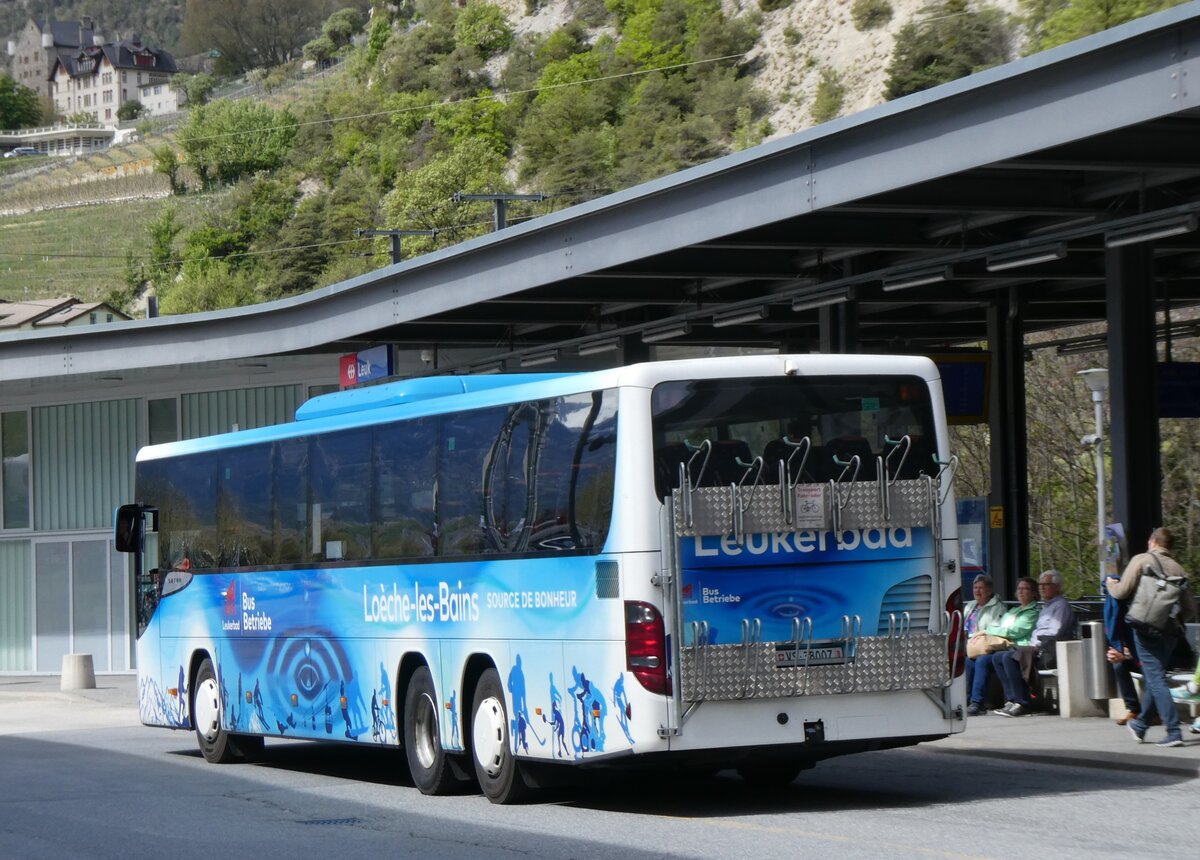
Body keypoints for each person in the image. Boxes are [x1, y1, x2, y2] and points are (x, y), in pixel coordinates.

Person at [1106, 527, 1198, 747]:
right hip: (1171, 632)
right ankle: (1141, 725)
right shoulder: (1179, 569)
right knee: (1154, 676)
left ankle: (1173, 731)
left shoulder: (1142, 560)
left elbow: (1121, 592)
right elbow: (1190, 609)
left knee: (1155, 678)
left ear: (1152, 541)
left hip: (1145, 628)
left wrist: (1111, 585)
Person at [994, 570, 1076, 717]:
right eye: (1041, 585)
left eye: (1047, 584)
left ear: (1057, 587)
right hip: (1036, 648)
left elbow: (1054, 632)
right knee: (997, 657)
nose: (1042, 588)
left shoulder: (1061, 606)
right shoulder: (1046, 607)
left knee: (1009, 658)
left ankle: (1022, 703)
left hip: (1048, 650)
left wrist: (1035, 645)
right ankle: (1012, 699)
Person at [966, 577, 1040, 717]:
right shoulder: (1013, 611)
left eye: (1025, 589)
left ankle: (1020, 702)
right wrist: (999, 631)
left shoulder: (1032, 612)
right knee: (975, 660)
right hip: (1006, 647)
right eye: (1019, 589)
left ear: (1034, 593)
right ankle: (1008, 700)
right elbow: (1003, 628)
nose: (1021, 592)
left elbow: (1014, 631)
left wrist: (988, 631)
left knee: (996, 658)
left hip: (1022, 648)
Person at [963, 574, 1006, 715]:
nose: (977, 591)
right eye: (975, 587)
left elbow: (997, 629)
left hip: (987, 647)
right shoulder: (970, 606)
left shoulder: (997, 607)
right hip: (970, 646)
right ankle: (966, 700)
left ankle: (977, 703)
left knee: (981, 662)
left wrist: (981, 634)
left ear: (989, 591)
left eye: (981, 588)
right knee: (967, 662)